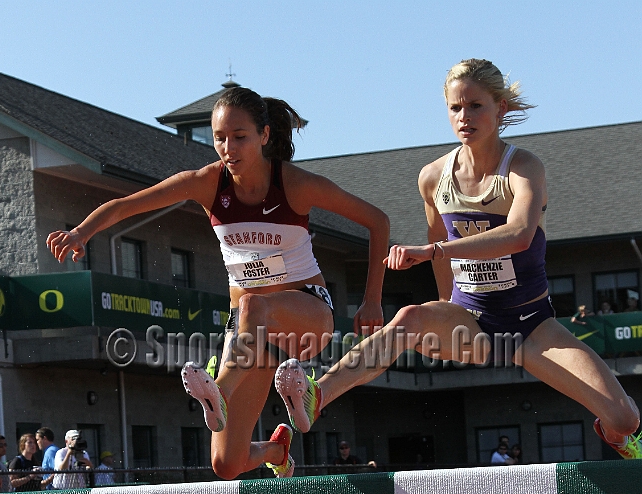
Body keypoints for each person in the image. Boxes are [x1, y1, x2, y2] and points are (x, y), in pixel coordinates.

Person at [274, 58, 641, 462]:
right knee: (410, 318)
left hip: (532, 326)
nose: (464, 117)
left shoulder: (523, 167)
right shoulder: (433, 177)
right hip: (472, 324)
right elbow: (438, 248)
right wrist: (446, 305)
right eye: (455, 108)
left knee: (626, 418)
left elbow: (518, 236)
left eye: (476, 106)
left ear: (500, 108)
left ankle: (616, 434)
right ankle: (317, 394)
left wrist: (436, 251)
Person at [46, 87, 389, 481]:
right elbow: (129, 204)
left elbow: (377, 221)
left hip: (305, 316)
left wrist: (372, 300)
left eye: (239, 137)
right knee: (227, 465)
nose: (228, 148)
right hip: (248, 336)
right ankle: (278, 449)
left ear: (264, 135)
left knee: (254, 305)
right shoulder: (209, 183)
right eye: (219, 138)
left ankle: (219, 392)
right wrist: (82, 232)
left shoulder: (295, 184)